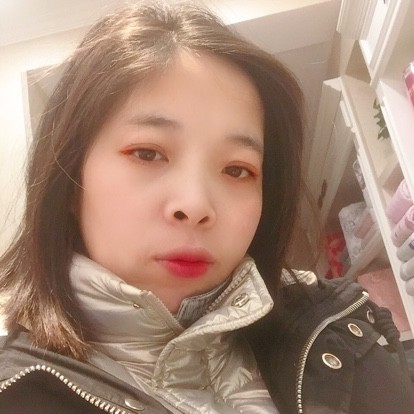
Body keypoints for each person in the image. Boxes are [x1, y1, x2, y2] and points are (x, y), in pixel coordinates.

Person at [0, 2, 413, 413]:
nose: (196, 205)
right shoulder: (20, 394)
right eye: (147, 153)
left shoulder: (340, 325)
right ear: (70, 179)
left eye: (237, 170)